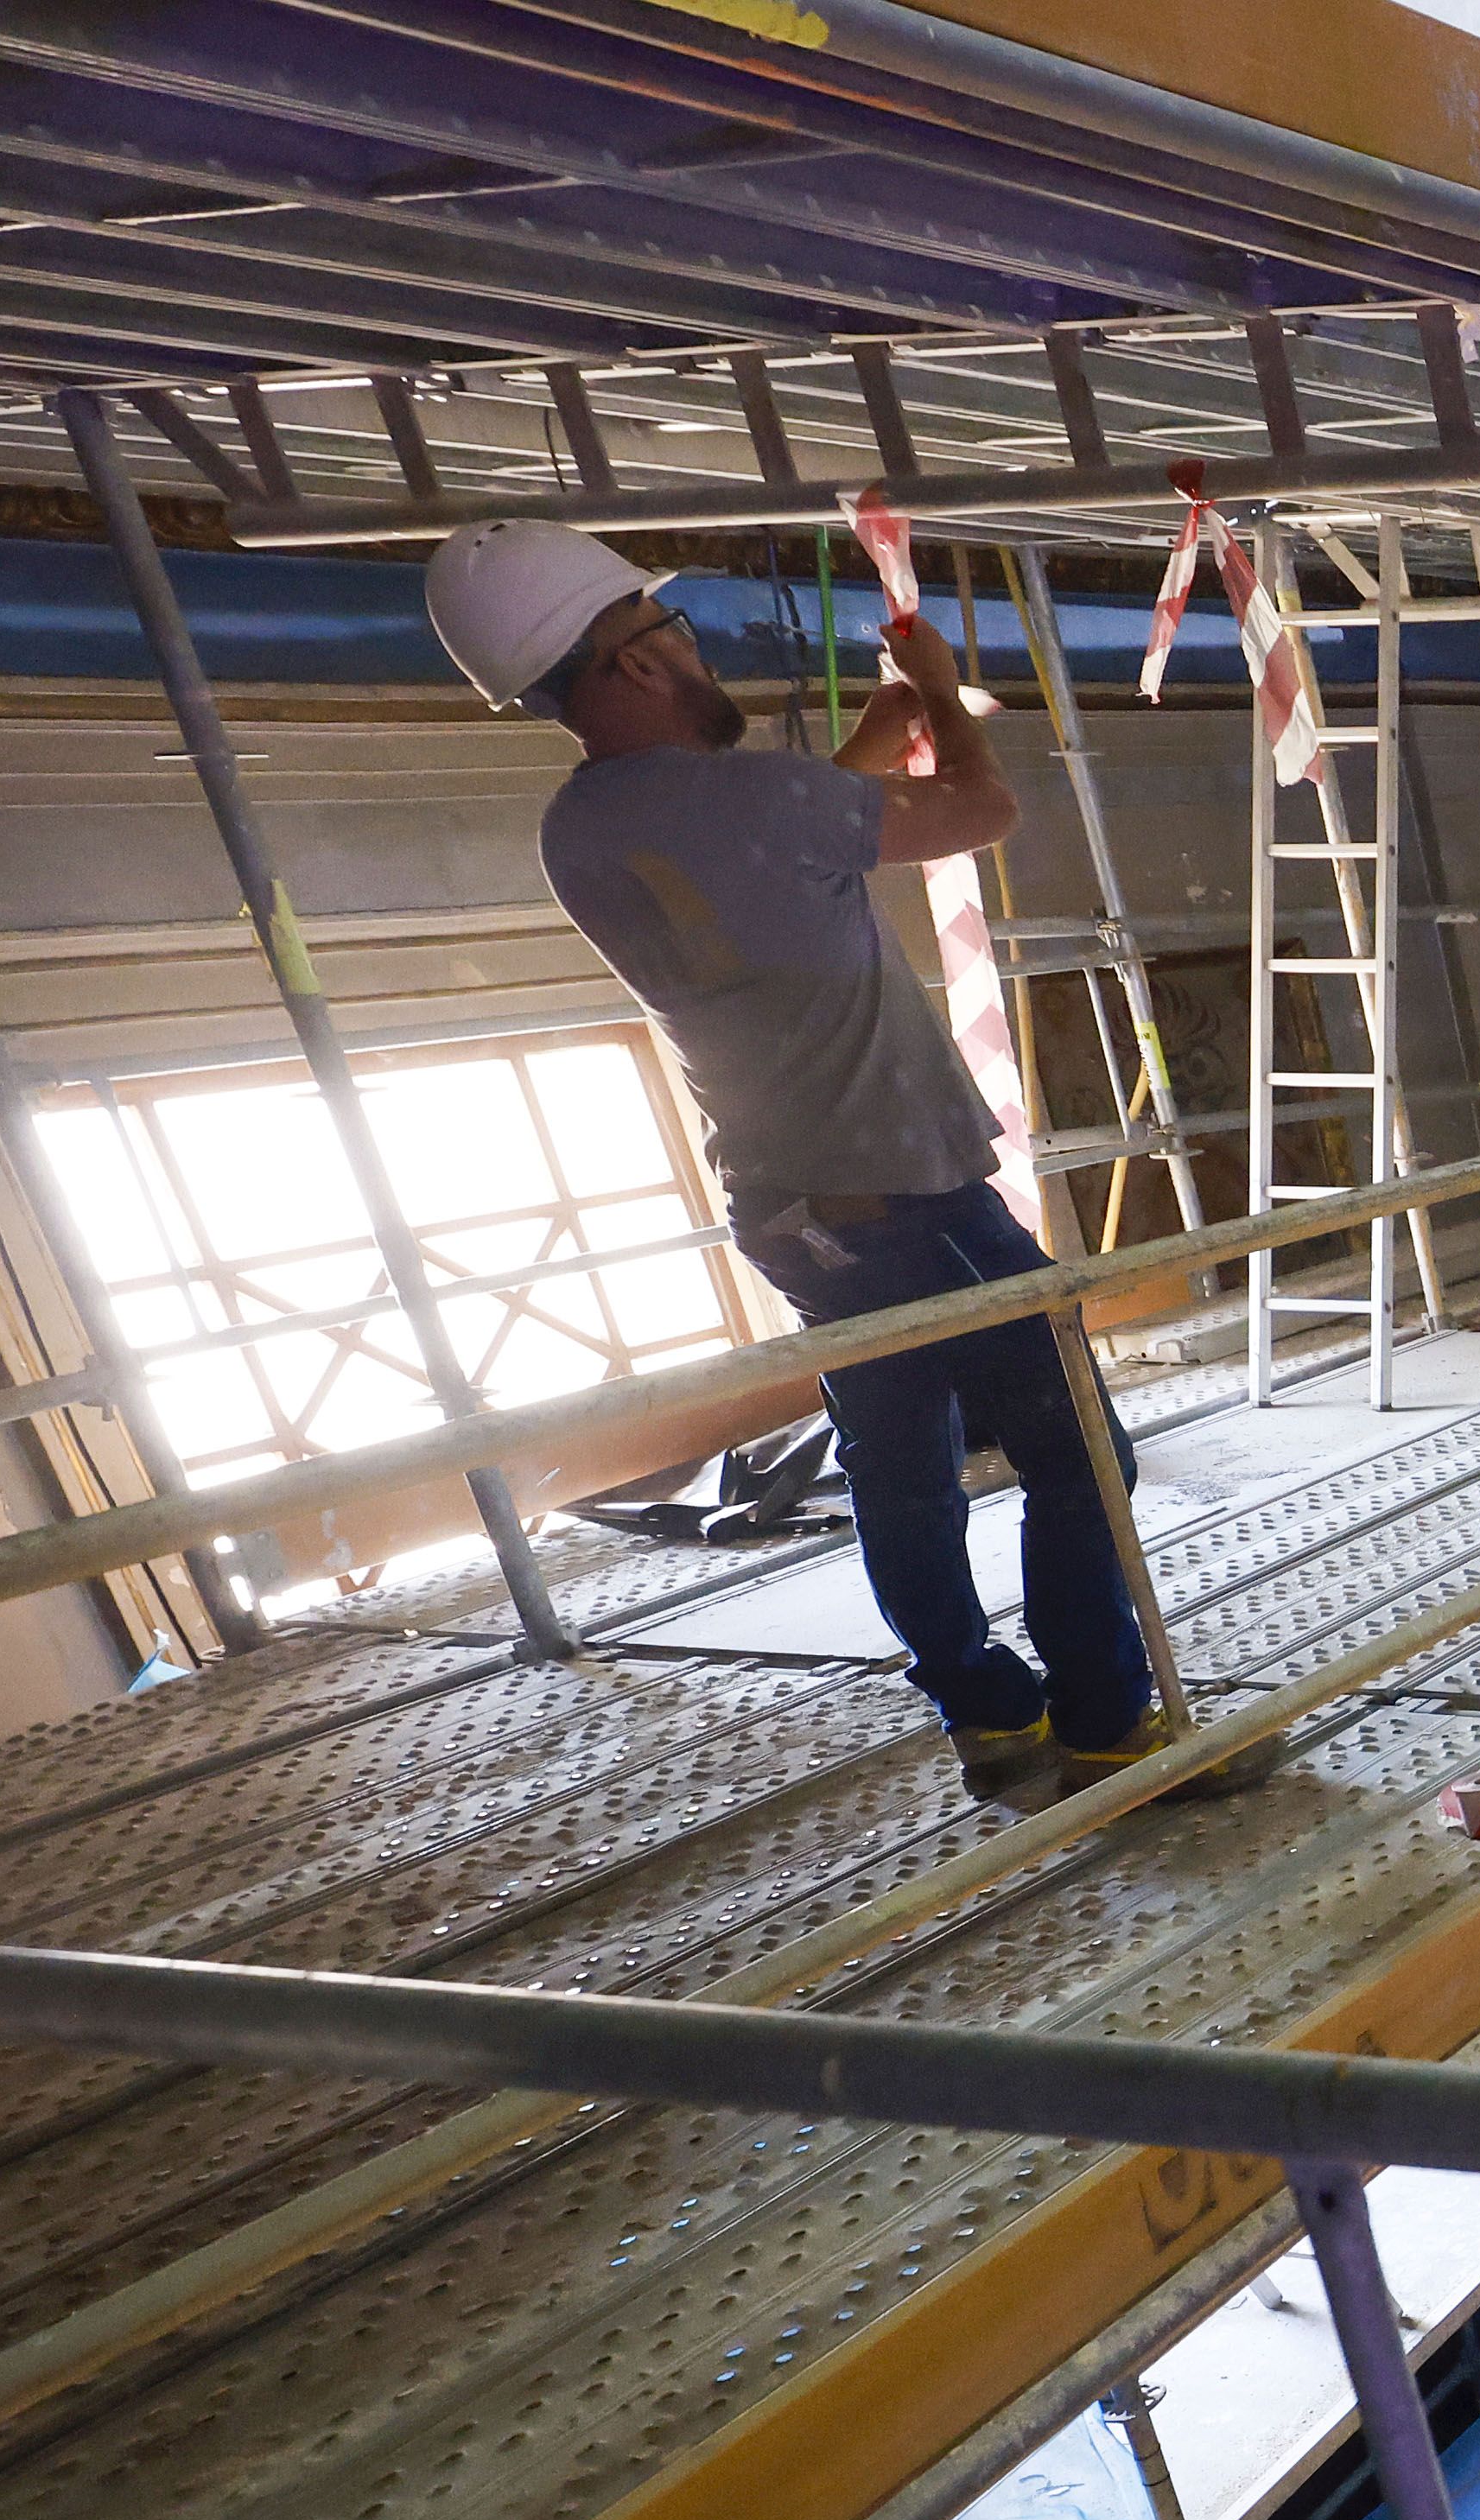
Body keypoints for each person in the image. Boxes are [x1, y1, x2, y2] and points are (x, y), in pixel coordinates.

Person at [424, 517, 1184, 1795]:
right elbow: (979, 810)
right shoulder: (755, 801)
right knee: (1078, 1451)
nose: (694, 642)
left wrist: (884, 725)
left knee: (901, 1471)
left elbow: (795, 827)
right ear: (630, 665)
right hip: (914, 1195)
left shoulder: (585, 829)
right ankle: (1109, 1717)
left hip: (789, 1210)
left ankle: (986, 1715)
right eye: (670, 630)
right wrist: (944, 697)